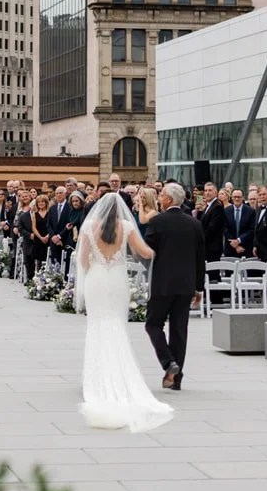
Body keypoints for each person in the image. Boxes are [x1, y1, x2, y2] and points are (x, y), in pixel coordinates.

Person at [75, 191, 173, 433]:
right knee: (116, 325)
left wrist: (93, 268)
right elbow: (144, 252)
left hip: (97, 280)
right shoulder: (127, 226)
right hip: (118, 280)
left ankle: (97, 378)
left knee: (97, 326)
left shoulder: (89, 226)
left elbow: (83, 258)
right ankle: (121, 372)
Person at [141, 182, 205, 392]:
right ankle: (176, 379)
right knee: (179, 330)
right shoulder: (194, 224)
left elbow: (148, 251)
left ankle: (168, 363)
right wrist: (199, 288)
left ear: (168, 199)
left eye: (161, 195)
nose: (158, 198)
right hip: (186, 285)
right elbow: (200, 258)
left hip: (163, 283)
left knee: (152, 324)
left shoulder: (158, 222)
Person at [224, 188, 256, 259]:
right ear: (231, 197)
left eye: (239, 197)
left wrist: (239, 240)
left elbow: (251, 230)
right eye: (235, 197)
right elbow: (225, 229)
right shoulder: (226, 211)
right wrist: (235, 245)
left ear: (243, 198)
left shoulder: (250, 211)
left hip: (245, 247)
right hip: (230, 248)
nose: (237, 199)